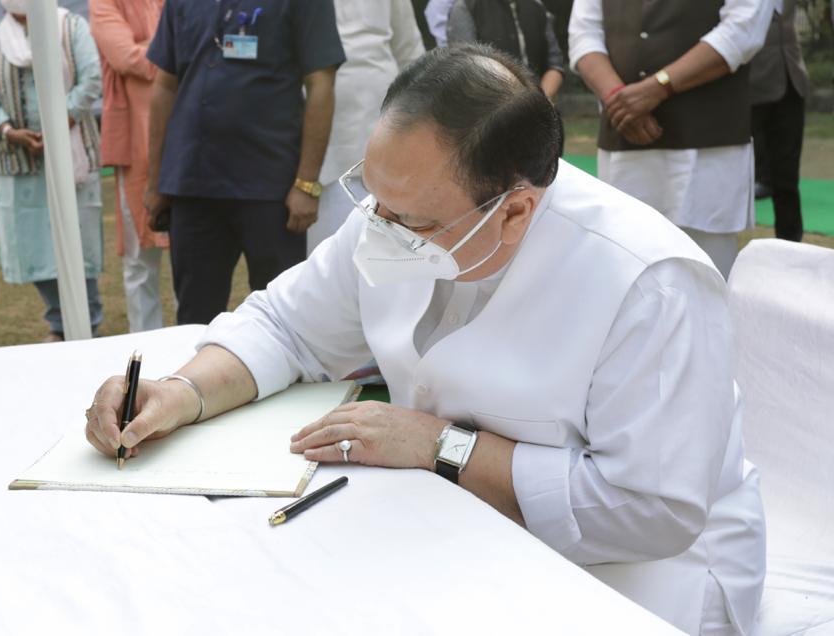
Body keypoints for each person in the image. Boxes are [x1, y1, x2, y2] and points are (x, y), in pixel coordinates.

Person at [85, 46, 765, 634]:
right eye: (373, 200)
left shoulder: (649, 284)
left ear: (517, 209)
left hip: (639, 582)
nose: (380, 227)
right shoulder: (401, 209)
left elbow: (651, 510)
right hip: (457, 532)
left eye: (409, 218)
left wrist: (444, 447)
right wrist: (180, 394)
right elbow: (286, 324)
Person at [144, 0, 345, 326]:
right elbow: (165, 85)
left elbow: (321, 83)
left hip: (271, 188)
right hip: (193, 185)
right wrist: (155, 182)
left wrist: (307, 183)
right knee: (194, 319)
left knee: (283, 319)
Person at [569, 0, 771, 279]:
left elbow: (743, 29)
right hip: (626, 144)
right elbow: (583, 34)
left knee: (706, 275)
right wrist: (619, 98)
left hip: (707, 148)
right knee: (624, 269)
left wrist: (658, 86)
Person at [0, 0, 104, 341]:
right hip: (22, 162)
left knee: (77, 242)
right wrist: (8, 131)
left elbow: (92, 77)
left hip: (72, 155)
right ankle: (58, 322)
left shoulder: (70, 27)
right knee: (34, 247)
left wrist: (57, 123)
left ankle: (86, 322)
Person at [307, 0, 424, 253]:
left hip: (384, 116)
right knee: (327, 249)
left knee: (387, 241)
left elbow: (409, 51)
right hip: (319, 130)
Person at [89, 0, 169, 333]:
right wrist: (168, 51)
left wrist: (151, 50)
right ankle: (146, 349)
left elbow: (199, 44)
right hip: (135, 144)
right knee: (140, 259)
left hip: (187, 137)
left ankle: (200, 347)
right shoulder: (103, 4)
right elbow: (126, 57)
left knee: (194, 255)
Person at [750, 0, 808, 243]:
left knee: (787, 177)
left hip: (792, 80)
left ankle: (791, 246)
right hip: (750, 86)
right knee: (745, 179)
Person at [446, 0, 566, 100]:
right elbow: (466, 70)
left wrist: (541, 100)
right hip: (488, 115)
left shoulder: (536, 7)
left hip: (538, 110)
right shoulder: (466, 7)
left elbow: (554, 64)